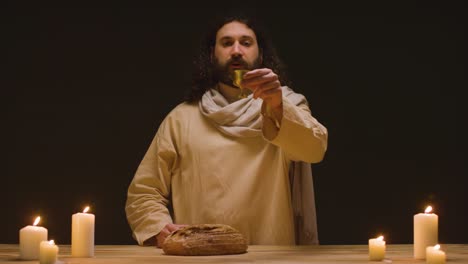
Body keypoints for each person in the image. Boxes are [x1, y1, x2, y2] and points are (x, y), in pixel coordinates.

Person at [125, 13, 328, 247]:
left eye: (246, 42)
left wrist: (277, 104)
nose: (236, 51)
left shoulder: (286, 106)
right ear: (212, 55)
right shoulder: (182, 118)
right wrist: (161, 228)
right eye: (227, 42)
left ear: (260, 54)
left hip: (270, 256)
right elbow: (143, 192)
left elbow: (314, 149)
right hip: (200, 257)